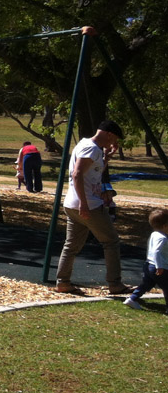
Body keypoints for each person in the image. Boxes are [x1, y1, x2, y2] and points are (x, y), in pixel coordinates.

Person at [54, 120, 132, 295]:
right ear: (109, 134)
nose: (114, 144)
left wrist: (107, 159)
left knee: (71, 245)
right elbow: (77, 173)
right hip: (88, 205)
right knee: (111, 242)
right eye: (114, 140)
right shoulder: (92, 148)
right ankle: (115, 284)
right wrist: (84, 203)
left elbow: (93, 171)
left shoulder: (85, 144)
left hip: (72, 205)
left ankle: (63, 282)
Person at [123, 208, 168, 312]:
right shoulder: (163, 238)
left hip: (148, 265)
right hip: (159, 267)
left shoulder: (155, 234)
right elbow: (157, 252)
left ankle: (132, 299)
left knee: (146, 284)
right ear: (165, 226)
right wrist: (159, 266)